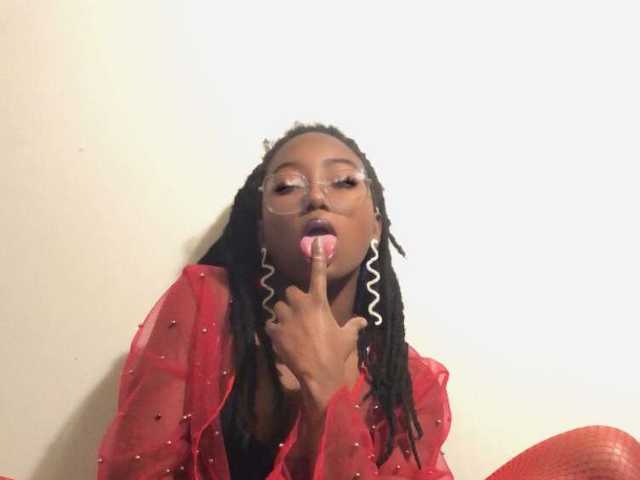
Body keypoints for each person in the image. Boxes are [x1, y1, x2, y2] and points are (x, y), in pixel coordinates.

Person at [96, 123, 640, 479]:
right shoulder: (205, 306)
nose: (316, 195)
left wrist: (328, 395)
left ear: (376, 224)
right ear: (260, 228)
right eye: (286, 187)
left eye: (343, 182)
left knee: (606, 458)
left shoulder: (406, 381)